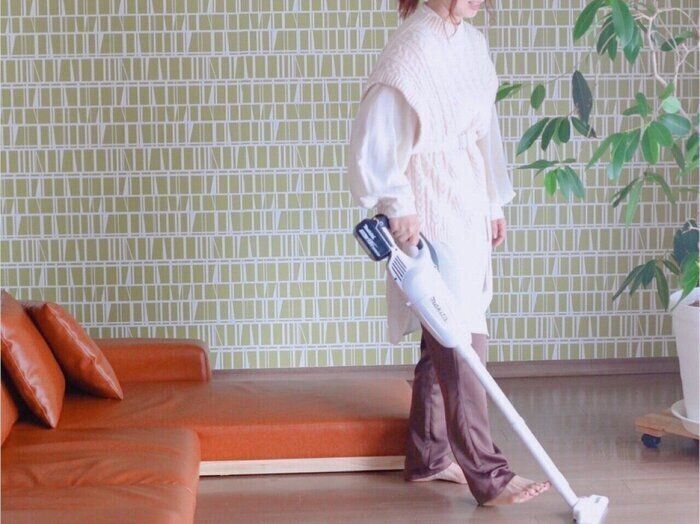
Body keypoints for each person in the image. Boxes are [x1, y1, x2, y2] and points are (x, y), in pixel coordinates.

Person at [345, 0, 551, 507]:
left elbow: (486, 133)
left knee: (443, 330)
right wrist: (398, 204)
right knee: (459, 336)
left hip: (467, 198)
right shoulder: (410, 49)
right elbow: (376, 137)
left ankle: (428, 454)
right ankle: (488, 473)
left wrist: (492, 202)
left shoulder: (473, 44)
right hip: (428, 202)